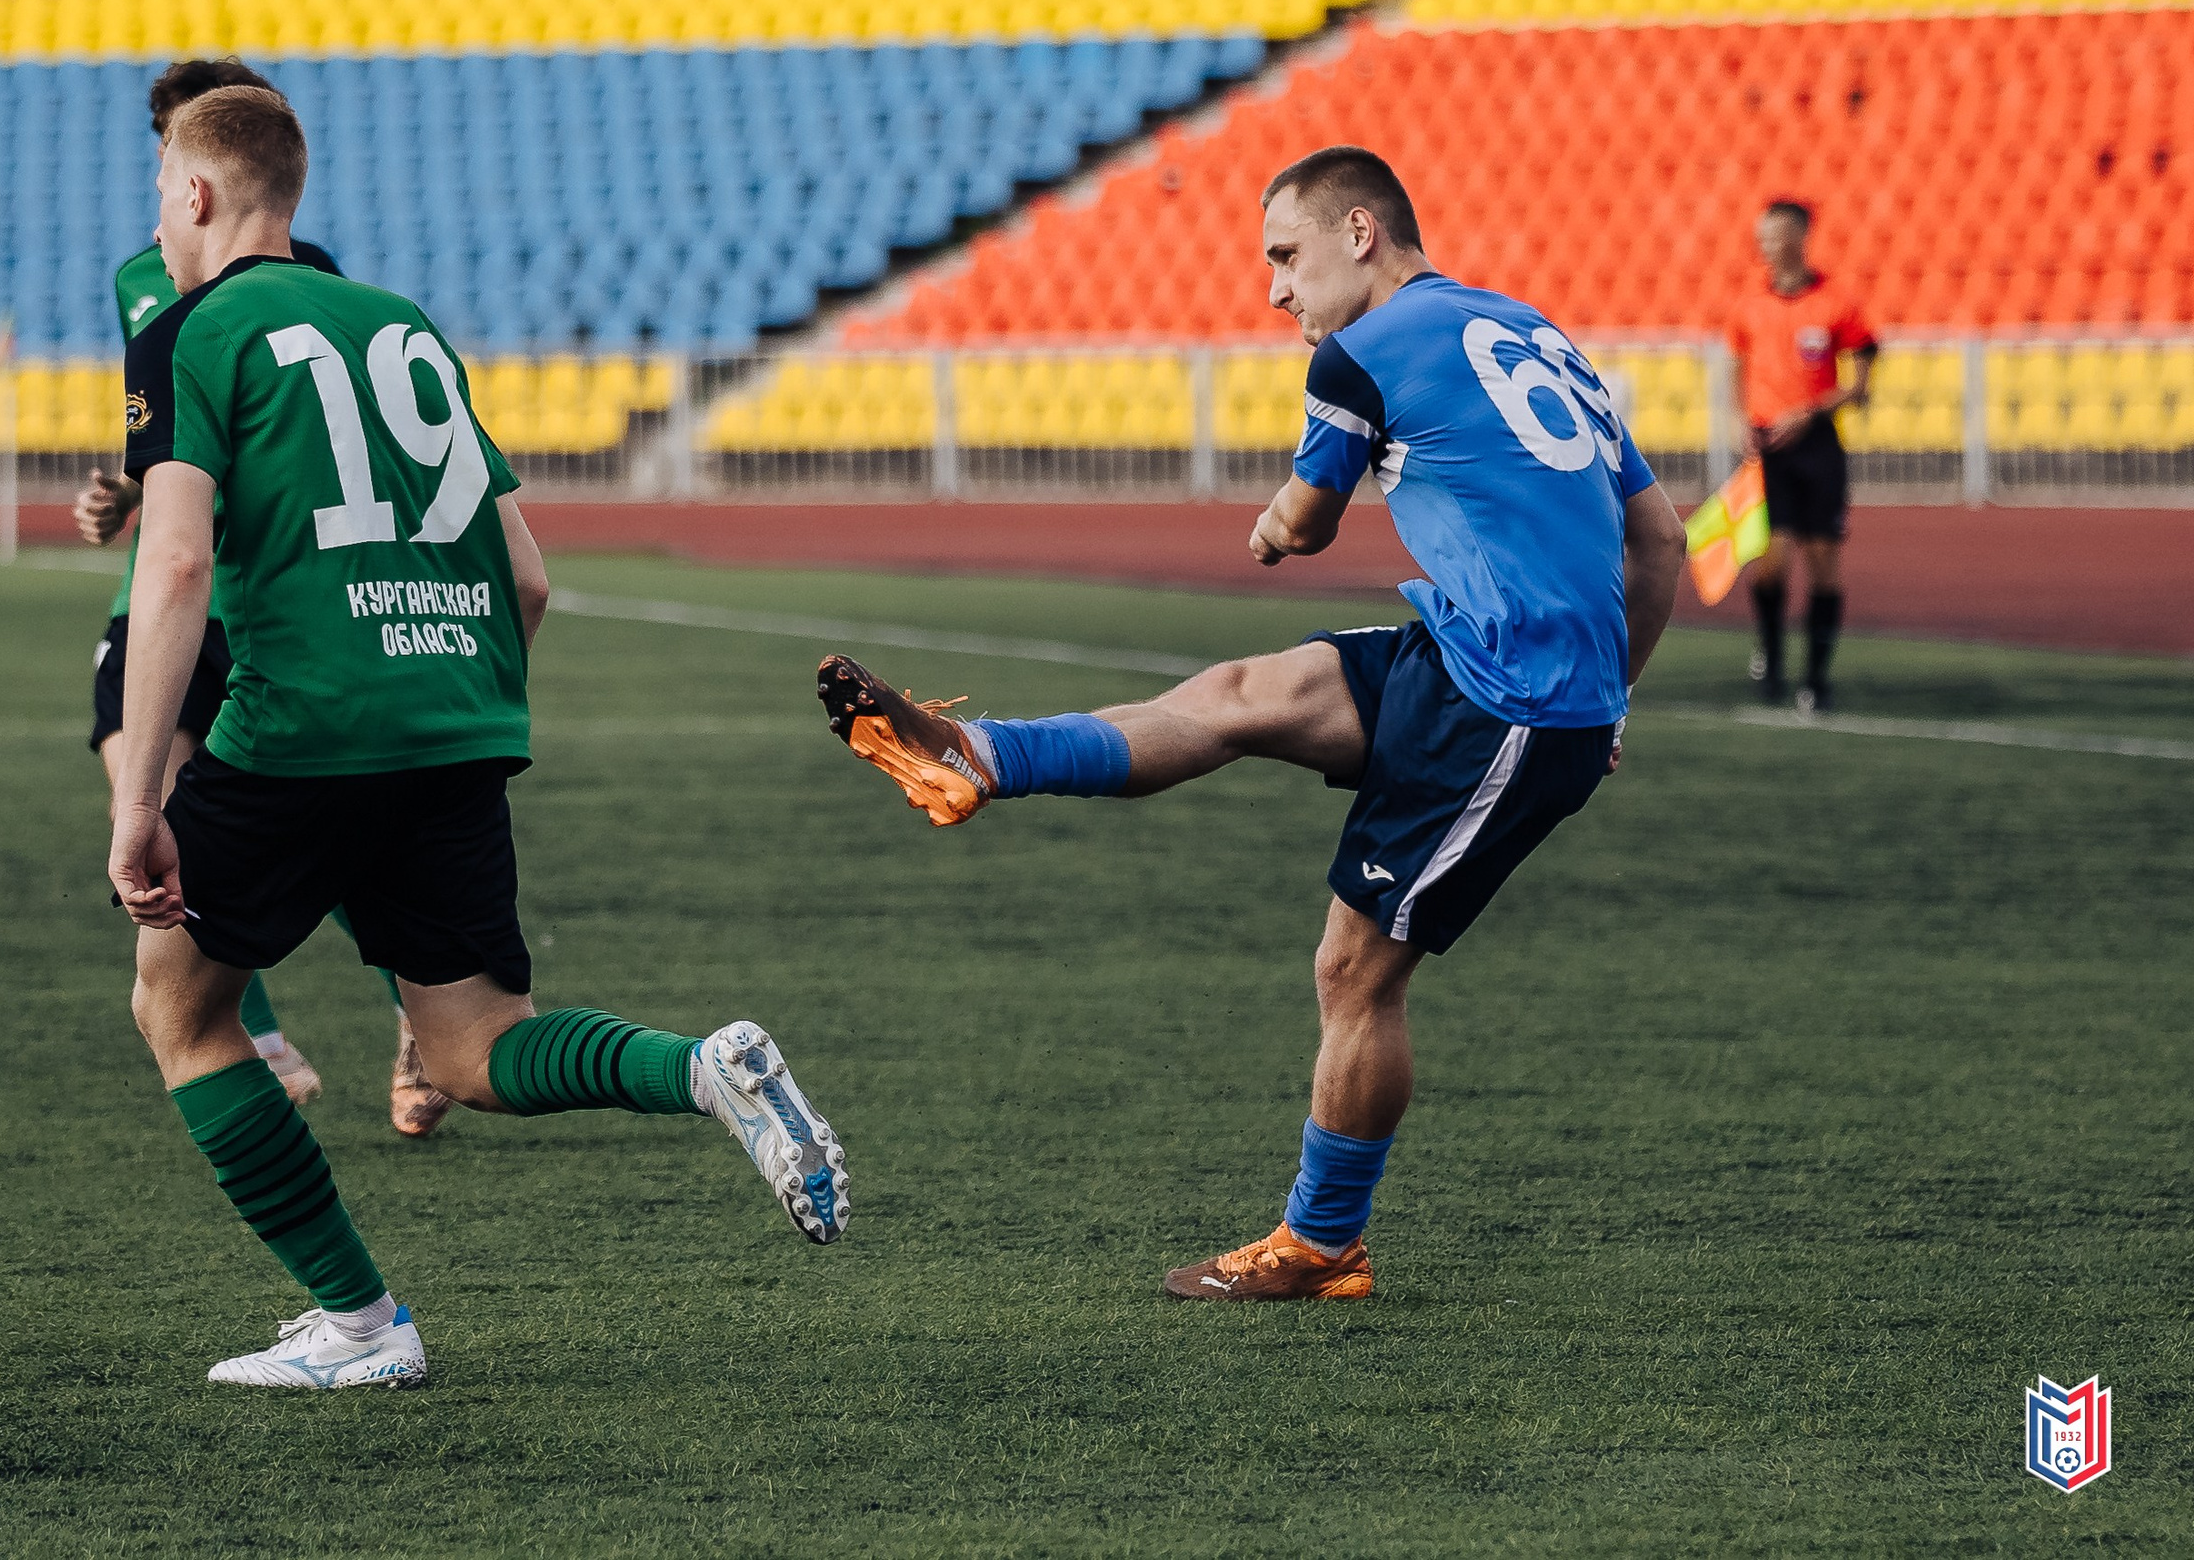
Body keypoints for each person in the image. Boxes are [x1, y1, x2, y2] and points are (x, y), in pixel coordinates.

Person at [813, 146, 1683, 1302]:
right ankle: (976, 756)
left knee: (1354, 976)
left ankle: (1322, 1245)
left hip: (1508, 700)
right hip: (1488, 661)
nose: (1275, 290)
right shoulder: (1533, 331)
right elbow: (1661, 538)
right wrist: (1611, 695)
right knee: (1240, 696)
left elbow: (1305, 524)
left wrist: (1273, 528)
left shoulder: (1357, 354)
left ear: (1359, 234)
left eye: (1286, 255)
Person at [108, 87, 848, 1389]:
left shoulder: (191, 329)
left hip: (303, 721)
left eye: (164, 191)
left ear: (201, 194)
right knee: (470, 1043)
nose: (159, 218)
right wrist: (446, 692)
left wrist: (139, 795)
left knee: (178, 1001)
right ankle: (703, 1066)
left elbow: (172, 566)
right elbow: (533, 578)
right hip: (455, 714)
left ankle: (360, 1322)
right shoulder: (403, 324)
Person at [76, 57, 453, 1137]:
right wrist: (121, 498)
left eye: (170, 153)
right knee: (140, 773)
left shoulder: (304, 277)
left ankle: (413, 1019)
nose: (160, 172)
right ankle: (265, 1037)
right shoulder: (136, 283)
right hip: (167, 580)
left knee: (303, 815)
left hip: (268, 589)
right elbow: (169, 450)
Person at [1724, 199, 1878, 713]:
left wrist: (1807, 412)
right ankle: (1769, 657)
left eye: (1776, 234)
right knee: (1769, 563)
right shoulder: (1748, 305)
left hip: (1816, 445)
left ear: (1800, 235)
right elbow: (1737, 366)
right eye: (1762, 235)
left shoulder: (1837, 303)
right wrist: (1739, 419)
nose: (1767, 244)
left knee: (1822, 562)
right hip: (1768, 446)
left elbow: (1860, 386)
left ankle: (1816, 679)